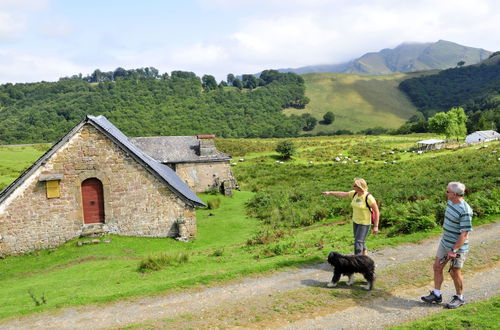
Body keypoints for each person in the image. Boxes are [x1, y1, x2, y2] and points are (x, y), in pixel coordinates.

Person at [421, 182, 473, 309]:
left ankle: (459, 298)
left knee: (455, 272)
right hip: (444, 243)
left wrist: (454, 250)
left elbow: (464, 234)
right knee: (437, 267)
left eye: (447, 191)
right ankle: (437, 294)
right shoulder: (450, 202)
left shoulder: (465, 210)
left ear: (454, 194)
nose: (446, 193)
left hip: (457, 248)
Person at [322, 178, 380, 256]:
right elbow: (343, 194)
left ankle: (357, 261)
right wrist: (330, 193)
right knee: (360, 240)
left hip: (364, 223)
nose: (353, 187)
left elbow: (376, 211)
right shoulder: (354, 194)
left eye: (354, 186)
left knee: (358, 242)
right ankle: (364, 258)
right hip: (355, 222)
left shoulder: (368, 197)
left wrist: (376, 226)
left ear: (360, 187)